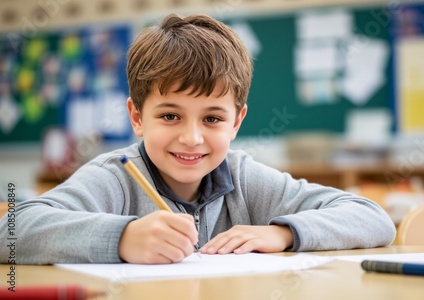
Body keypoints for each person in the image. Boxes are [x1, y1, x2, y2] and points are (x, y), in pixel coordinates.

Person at [0, 14, 396, 264]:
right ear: (137, 117)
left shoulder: (243, 178)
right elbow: (12, 232)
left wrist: (283, 233)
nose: (191, 138)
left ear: (236, 122)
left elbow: (373, 218)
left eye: (212, 118)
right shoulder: (116, 176)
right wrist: (120, 238)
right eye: (170, 115)